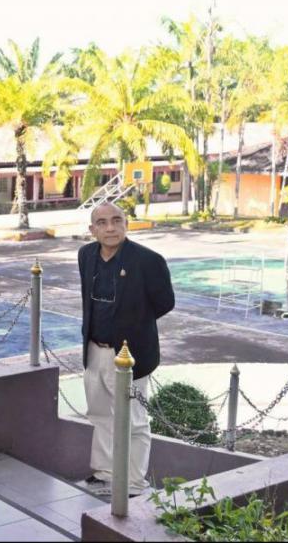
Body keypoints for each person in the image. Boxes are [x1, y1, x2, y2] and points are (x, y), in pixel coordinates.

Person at [77, 202, 174, 497]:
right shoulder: (86, 255)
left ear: (126, 224)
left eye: (116, 220)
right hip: (95, 349)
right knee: (99, 414)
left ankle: (133, 482)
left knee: (134, 421)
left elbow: (164, 303)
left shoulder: (148, 260)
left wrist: (133, 323)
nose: (110, 228)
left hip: (130, 357)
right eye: (102, 222)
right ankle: (105, 473)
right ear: (92, 229)